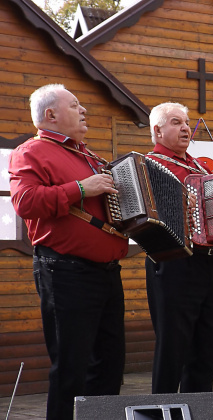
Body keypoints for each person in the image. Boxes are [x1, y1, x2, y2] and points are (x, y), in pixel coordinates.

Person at [9, 84, 128, 420]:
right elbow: (25, 203)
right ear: (51, 115)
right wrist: (80, 188)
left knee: (110, 365)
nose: (84, 110)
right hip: (65, 271)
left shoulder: (89, 155)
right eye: (75, 105)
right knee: (71, 368)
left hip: (106, 273)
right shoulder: (30, 152)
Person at [144, 102, 213, 394]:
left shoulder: (201, 166)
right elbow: (145, 215)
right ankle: (161, 411)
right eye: (176, 122)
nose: (185, 128)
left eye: (187, 122)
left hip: (209, 262)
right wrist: (176, 208)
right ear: (158, 130)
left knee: (208, 348)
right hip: (173, 260)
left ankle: (197, 410)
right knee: (173, 349)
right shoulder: (148, 165)